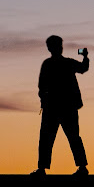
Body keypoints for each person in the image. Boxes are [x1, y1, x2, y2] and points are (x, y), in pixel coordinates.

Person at [31, 35, 89, 176]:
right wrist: (85, 57)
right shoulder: (67, 63)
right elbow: (83, 68)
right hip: (67, 107)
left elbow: (41, 86)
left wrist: (44, 99)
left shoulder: (48, 64)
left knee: (47, 138)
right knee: (72, 137)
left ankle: (42, 168)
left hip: (53, 107)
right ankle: (82, 167)